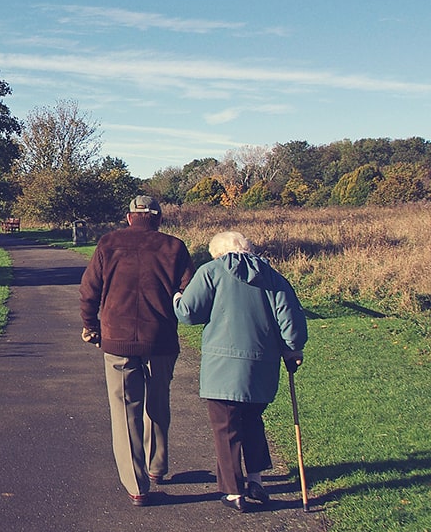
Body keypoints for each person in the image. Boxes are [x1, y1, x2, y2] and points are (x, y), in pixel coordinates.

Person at [173, 231, 308, 513]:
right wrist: (293, 349)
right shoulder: (273, 276)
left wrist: (176, 298)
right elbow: (291, 322)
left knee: (226, 427)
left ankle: (233, 491)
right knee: (252, 420)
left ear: (217, 253)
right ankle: (256, 479)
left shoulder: (211, 272)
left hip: (222, 367)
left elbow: (188, 313)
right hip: (262, 366)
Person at [79, 195, 195, 506]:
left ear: (130, 217)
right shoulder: (175, 247)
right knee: (158, 402)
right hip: (161, 339)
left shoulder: (108, 243)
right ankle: (157, 466)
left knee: (124, 412)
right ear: (159, 218)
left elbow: (89, 289)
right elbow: (189, 291)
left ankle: (137, 486)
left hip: (117, 339)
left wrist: (91, 325)